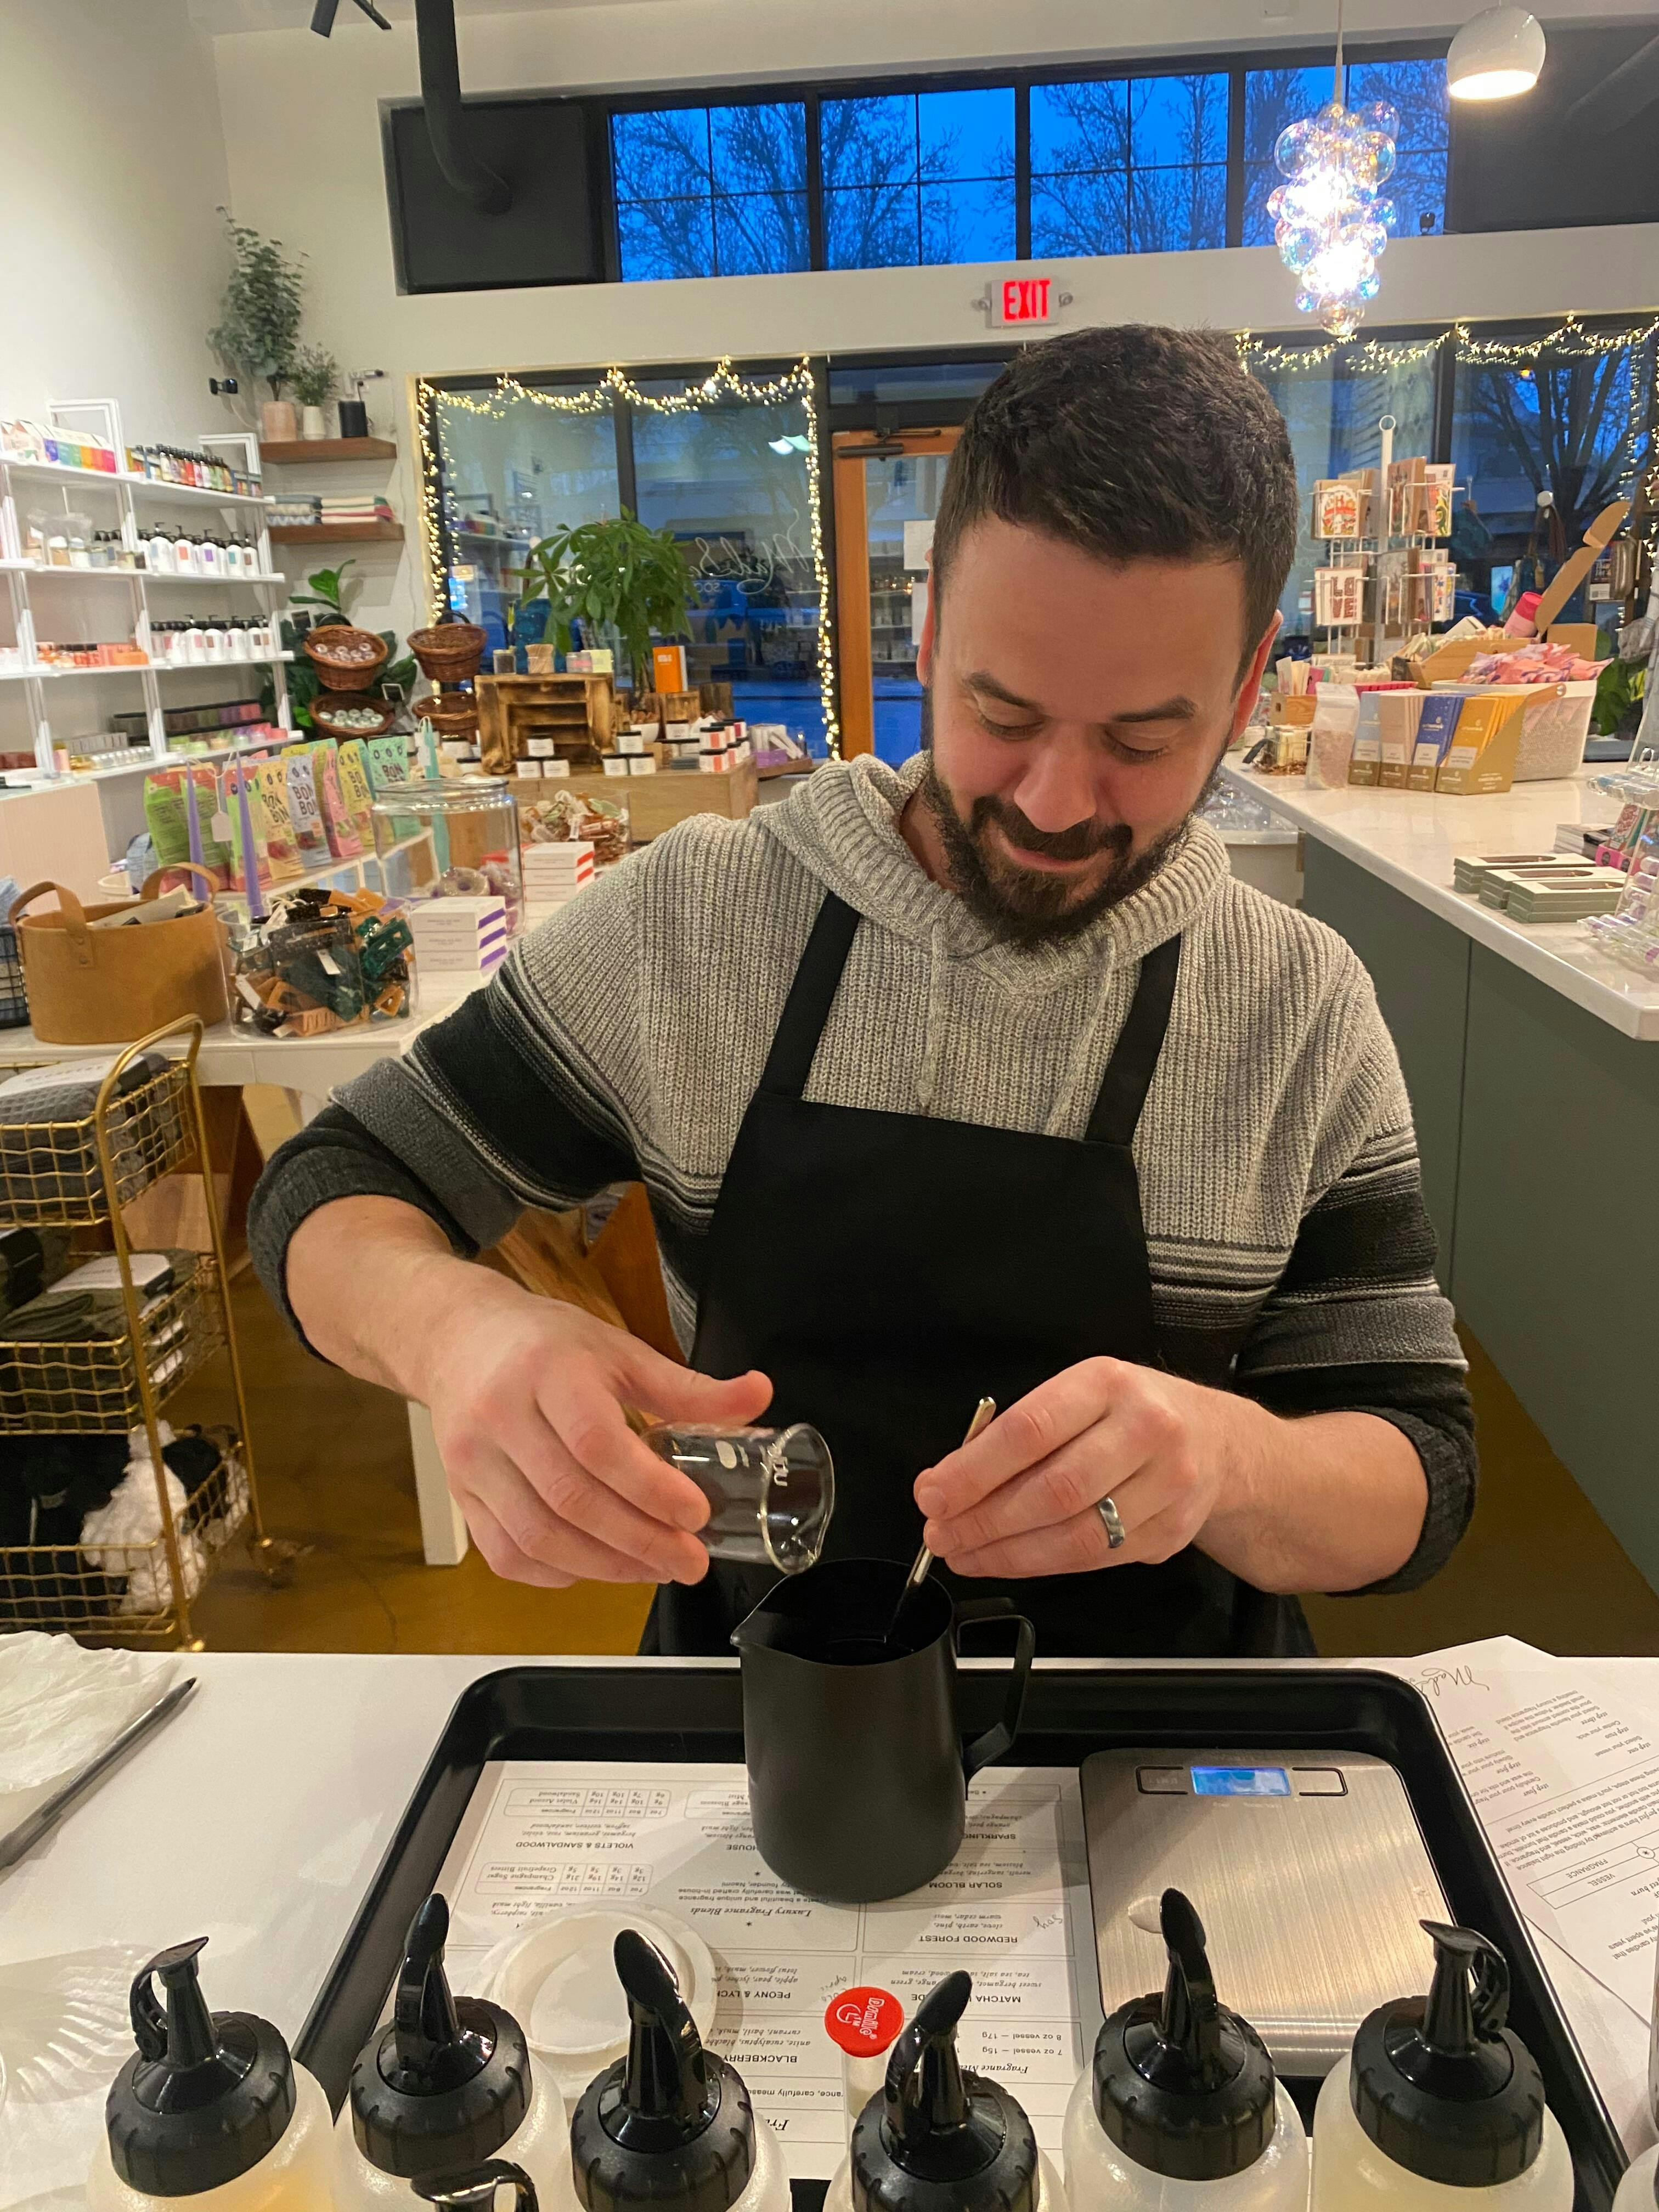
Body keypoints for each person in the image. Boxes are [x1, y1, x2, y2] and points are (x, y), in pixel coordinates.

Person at [249, 325, 1475, 1658]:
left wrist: (1232, 1463)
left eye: (1141, 739)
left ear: (1243, 693)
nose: (1056, 802)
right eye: (1003, 714)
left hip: (1157, 1736)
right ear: (930, 629)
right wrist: (458, 1334)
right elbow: (334, 1183)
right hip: (756, 1722)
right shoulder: (695, 925)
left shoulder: (1294, 1007)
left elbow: (1420, 1473)